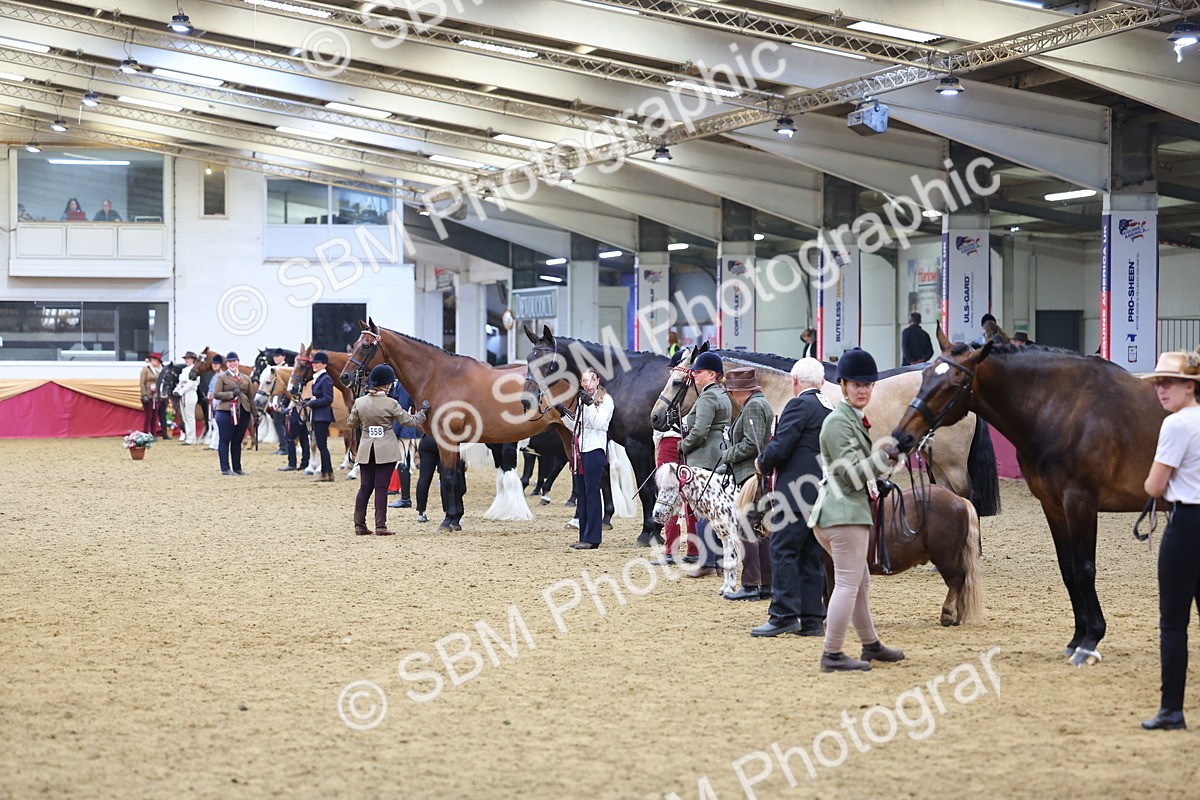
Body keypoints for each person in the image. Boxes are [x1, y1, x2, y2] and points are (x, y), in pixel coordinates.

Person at [808, 347, 905, 672]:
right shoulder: (837, 422)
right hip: (843, 513)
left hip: (843, 511)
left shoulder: (851, 419)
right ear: (844, 385)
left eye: (868, 384)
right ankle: (832, 653)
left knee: (860, 583)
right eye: (856, 384)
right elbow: (849, 474)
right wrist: (883, 458)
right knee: (848, 584)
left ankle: (870, 644)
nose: (863, 389)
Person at [751, 357, 833, 637]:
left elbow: (781, 445)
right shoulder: (828, 406)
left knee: (783, 550)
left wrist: (762, 463)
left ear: (795, 381)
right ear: (821, 382)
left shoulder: (798, 405)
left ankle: (783, 614)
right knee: (810, 556)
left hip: (794, 494)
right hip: (818, 493)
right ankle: (812, 619)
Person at [1140, 351, 1200, 731]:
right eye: (1159, 382)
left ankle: (1172, 710)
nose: (1161, 389)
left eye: (1169, 382)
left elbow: (1154, 486)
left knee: (1174, 624)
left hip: (1188, 525)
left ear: (1190, 386)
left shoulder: (1177, 425)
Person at [347, 364, 429, 536]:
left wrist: (366, 424)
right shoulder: (391, 403)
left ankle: (359, 525)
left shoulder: (360, 402)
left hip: (366, 448)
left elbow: (351, 423)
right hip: (385, 449)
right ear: (387, 384)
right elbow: (409, 421)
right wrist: (422, 413)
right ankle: (381, 526)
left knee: (365, 487)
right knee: (381, 487)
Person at [719, 367, 775, 600]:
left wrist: (727, 454)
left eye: (732, 391)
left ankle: (751, 584)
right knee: (761, 529)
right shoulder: (760, 404)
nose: (731, 396)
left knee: (747, 528)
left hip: (751, 476)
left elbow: (752, 443)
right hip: (757, 474)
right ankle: (766, 584)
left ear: (742, 391)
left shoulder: (753, 406)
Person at [679, 351, 732, 577]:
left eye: (699, 372)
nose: (695, 375)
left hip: (704, 457)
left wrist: (683, 445)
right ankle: (718, 560)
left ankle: (707, 561)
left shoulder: (708, 397)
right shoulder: (721, 395)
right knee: (716, 511)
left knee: (704, 511)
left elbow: (700, 431)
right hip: (718, 455)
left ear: (712, 374)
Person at [555, 369, 615, 550]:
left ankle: (593, 537)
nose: (588, 385)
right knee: (582, 494)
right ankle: (584, 536)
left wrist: (588, 404)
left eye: (591, 380)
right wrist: (564, 414)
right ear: (581, 383)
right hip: (581, 451)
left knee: (592, 493)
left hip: (595, 450)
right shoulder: (583, 402)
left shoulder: (606, 401)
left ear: (597, 381)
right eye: (584, 381)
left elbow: (599, 425)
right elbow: (577, 428)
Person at [212, 352, 252, 476]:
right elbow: (216, 394)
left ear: (238, 362)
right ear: (227, 364)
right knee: (224, 439)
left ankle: (237, 467)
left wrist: (255, 414)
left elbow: (250, 397)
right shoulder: (221, 377)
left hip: (243, 411)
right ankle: (225, 468)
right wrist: (231, 395)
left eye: (234, 361)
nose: (232, 363)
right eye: (230, 362)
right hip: (226, 412)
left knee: (237, 440)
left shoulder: (246, 378)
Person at [388, 378, 422, 509]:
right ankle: (403, 495)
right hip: (402, 426)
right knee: (402, 460)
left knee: (401, 461)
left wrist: (393, 431)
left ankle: (405, 498)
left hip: (403, 427)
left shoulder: (403, 385)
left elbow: (401, 409)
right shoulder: (399, 384)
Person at [307, 351, 335, 482]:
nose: (314, 365)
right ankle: (328, 472)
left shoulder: (326, 379)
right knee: (321, 444)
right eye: (313, 363)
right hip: (318, 415)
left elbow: (328, 399)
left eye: (317, 363)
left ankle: (326, 472)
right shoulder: (319, 378)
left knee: (322, 445)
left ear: (324, 364)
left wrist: (313, 403)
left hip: (323, 416)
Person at [279, 392, 310, 473]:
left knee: (290, 438)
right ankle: (305, 463)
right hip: (303, 413)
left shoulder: (293, 386)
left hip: (294, 412)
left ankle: (292, 463)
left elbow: (293, 397)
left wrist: (287, 407)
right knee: (304, 439)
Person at [173, 351, 200, 445]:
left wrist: (181, 391)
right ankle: (188, 436)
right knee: (184, 417)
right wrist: (176, 390)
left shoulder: (195, 369)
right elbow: (181, 382)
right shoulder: (184, 370)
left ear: (193, 359)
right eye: (186, 359)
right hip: (183, 394)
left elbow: (191, 384)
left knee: (190, 416)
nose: (186, 360)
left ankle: (192, 438)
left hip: (190, 393)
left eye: (188, 358)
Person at [414, 433, 440, 524]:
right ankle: (448, 512)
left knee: (424, 477)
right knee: (445, 477)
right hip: (444, 439)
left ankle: (421, 512)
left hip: (427, 439)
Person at [139, 353, 163, 438]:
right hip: (147, 396)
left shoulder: (157, 370)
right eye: (157, 361)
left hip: (155, 396)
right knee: (148, 416)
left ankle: (153, 434)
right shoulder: (145, 369)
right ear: (153, 360)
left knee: (154, 416)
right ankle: (146, 433)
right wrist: (144, 394)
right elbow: (142, 382)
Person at [269, 349, 288, 455]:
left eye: (278, 356)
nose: (275, 358)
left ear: (283, 357)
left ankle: (285, 446)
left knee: (281, 423)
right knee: (278, 423)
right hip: (276, 399)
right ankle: (283, 445)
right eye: (274, 356)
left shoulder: (286, 369)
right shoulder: (274, 369)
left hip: (284, 399)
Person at [206, 354, 224, 450]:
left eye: (217, 364)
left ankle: (216, 444)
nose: (215, 365)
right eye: (213, 364)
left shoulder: (222, 375)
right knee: (213, 422)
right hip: (212, 401)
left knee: (217, 423)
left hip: (218, 401)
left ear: (220, 365)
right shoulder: (215, 376)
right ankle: (213, 443)